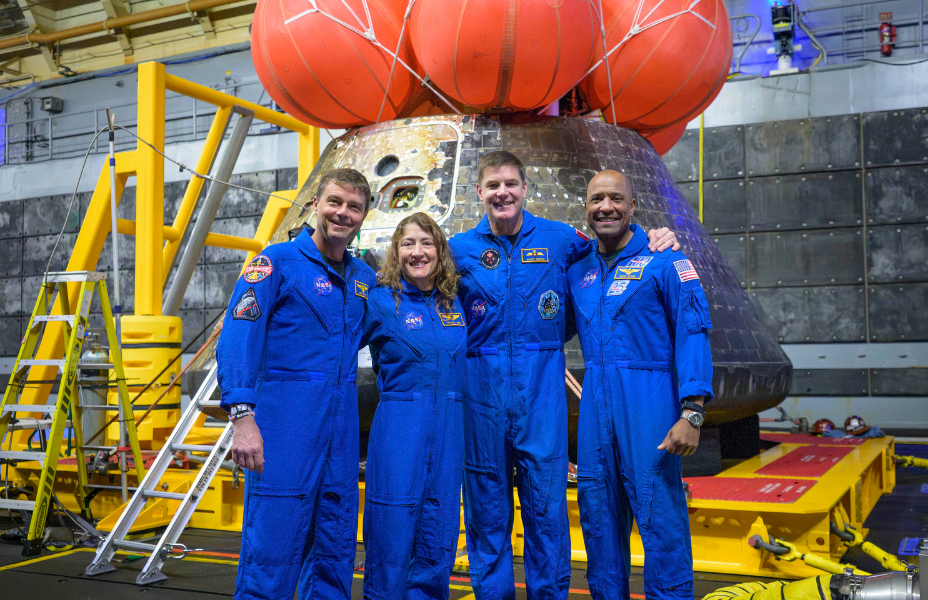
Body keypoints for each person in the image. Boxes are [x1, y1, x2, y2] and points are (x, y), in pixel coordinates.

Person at [448, 151, 680, 600]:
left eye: (511, 184)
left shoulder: (561, 240)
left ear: (525, 189)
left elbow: (612, 249)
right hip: (481, 394)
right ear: (479, 193)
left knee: (546, 513)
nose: (503, 193)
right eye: (493, 185)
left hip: (542, 395)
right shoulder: (457, 251)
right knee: (486, 513)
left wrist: (657, 236)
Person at [217, 169, 377, 600]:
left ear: (364, 215)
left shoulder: (364, 279)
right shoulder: (276, 262)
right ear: (316, 205)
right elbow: (238, 337)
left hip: (340, 433)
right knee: (273, 546)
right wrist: (242, 417)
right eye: (335, 202)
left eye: (353, 207)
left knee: (334, 545)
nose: (342, 213)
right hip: (285, 425)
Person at [566, 169, 714, 600]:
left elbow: (694, 332)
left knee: (659, 516)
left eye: (615, 199)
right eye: (596, 200)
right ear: (587, 208)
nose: (605, 207)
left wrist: (692, 411)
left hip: (649, 403)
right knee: (598, 518)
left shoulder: (666, 261)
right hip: (595, 407)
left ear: (633, 207)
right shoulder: (578, 272)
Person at [360, 213, 467, 600]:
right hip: (399, 429)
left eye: (427, 243)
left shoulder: (455, 302)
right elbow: (330, 343)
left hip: (450, 433)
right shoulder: (380, 301)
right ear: (396, 251)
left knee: (438, 536)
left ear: (440, 250)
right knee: (391, 534)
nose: (418, 252)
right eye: (408, 244)